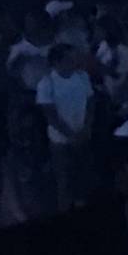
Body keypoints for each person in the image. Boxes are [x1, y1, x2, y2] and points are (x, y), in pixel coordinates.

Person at [35, 40, 97, 210]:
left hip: (83, 135)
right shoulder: (46, 84)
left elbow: (91, 102)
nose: (75, 62)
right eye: (70, 59)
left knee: (83, 178)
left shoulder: (82, 77)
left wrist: (87, 127)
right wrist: (70, 135)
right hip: (61, 141)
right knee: (65, 181)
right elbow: (50, 115)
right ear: (57, 62)